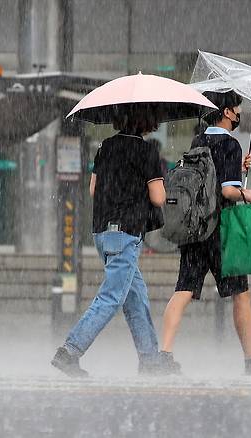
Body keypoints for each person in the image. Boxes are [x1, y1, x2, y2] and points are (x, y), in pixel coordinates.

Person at [159, 90, 251, 376]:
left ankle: (163, 355)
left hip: (194, 228)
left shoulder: (198, 140)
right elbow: (226, 191)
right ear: (227, 112)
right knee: (241, 294)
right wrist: (246, 194)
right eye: (237, 107)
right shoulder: (231, 144)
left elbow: (207, 182)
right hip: (221, 232)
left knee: (183, 290)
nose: (239, 113)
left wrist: (237, 170)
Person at [51, 107, 166, 377]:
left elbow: (93, 189)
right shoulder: (147, 151)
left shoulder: (105, 147)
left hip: (103, 232)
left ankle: (150, 359)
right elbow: (159, 197)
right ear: (145, 121)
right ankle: (69, 351)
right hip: (126, 233)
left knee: (135, 295)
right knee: (111, 297)